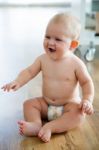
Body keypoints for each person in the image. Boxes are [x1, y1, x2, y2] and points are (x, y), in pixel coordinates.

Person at [1, 13, 94, 143]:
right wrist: (17, 81)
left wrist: (87, 100)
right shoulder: (43, 59)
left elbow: (86, 82)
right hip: (46, 104)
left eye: (58, 39)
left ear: (72, 45)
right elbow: (29, 72)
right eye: (47, 37)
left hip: (68, 106)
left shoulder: (76, 64)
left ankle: (51, 127)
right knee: (29, 104)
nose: (50, 42)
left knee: (79, 115)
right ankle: (35, 124)